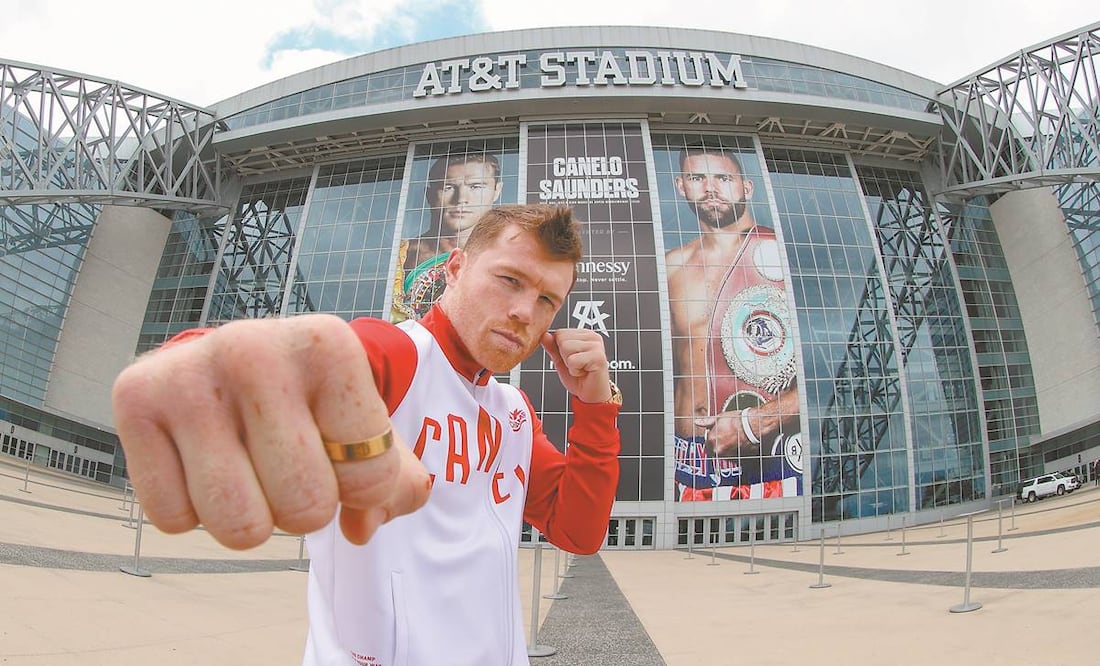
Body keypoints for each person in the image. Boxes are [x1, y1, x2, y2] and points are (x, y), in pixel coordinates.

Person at [112, 204, 622, 666]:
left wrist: (596, 408)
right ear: (456, 269)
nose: (525, 313)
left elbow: (577, 532)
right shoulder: (396, 356)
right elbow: (271, 367)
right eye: (510, 280)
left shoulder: (513, 410)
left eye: (547, 300)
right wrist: (193, 372)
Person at [664, 145, 801, 501]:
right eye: (698, 178)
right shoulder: (671, 266)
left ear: (746, 187)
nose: (711, 188)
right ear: (682, 186)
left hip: (766, 458)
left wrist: (758, 421)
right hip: (689, 460)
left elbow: (823, 370)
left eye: (723, 177)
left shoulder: (779, 255)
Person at [392, 152, 504, 321]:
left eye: (476, 187)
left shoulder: (507, 255)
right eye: (448, 187)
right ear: (429, 195)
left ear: (497, 191)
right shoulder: (399, 255)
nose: (461, 199)